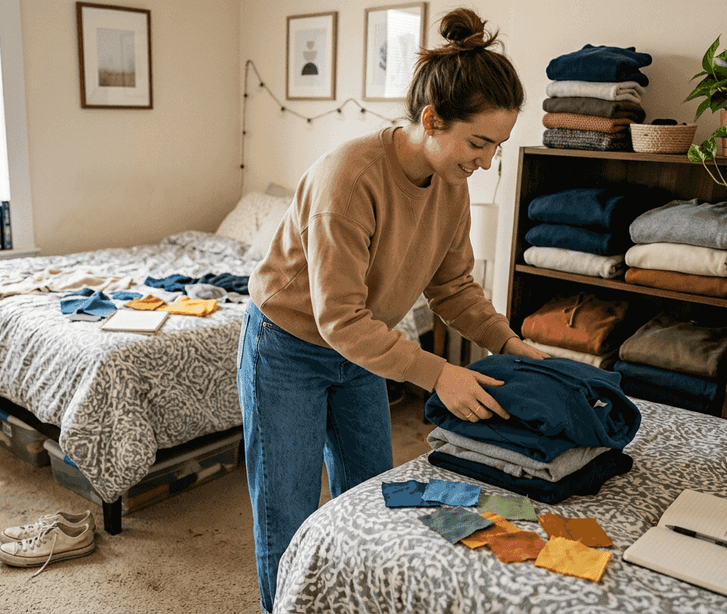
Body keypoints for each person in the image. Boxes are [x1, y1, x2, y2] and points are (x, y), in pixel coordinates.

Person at [236, 7, 548, 612]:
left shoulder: (451, 186)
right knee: (287, 509)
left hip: (363, 350)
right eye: (478, 143)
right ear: (432, 120)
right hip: (289, 348)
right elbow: (339, 319)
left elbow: (454, 287)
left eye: (497, 147)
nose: (486, 162)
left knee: (373, 495)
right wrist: (439, 372)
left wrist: (510, 344)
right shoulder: (348, 181)